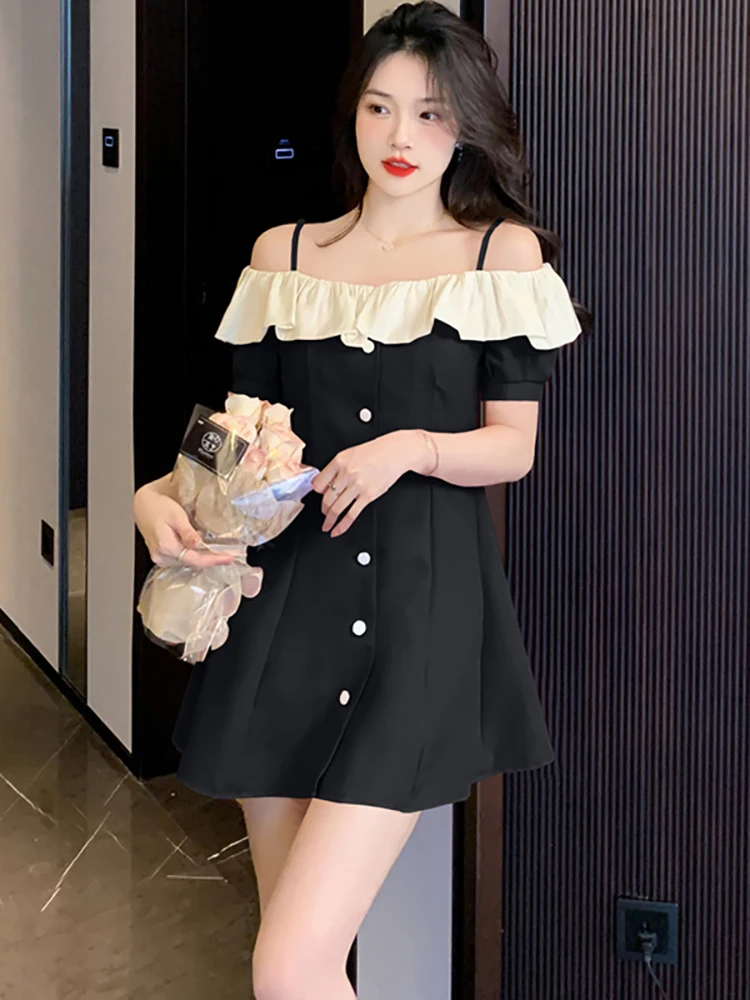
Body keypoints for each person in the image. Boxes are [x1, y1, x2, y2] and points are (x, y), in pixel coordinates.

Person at [133, 3, 588, 997]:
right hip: (282, 612)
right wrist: (154, 491)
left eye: (430, 113)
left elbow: (513, 449)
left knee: (286, 966)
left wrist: (410, 449)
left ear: (466, 123)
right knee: (300, 960)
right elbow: (233, 437)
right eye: (380, 108)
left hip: (421, 614)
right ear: (352, 114)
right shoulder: (285, 255)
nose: (400, 136)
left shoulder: (499, 257)